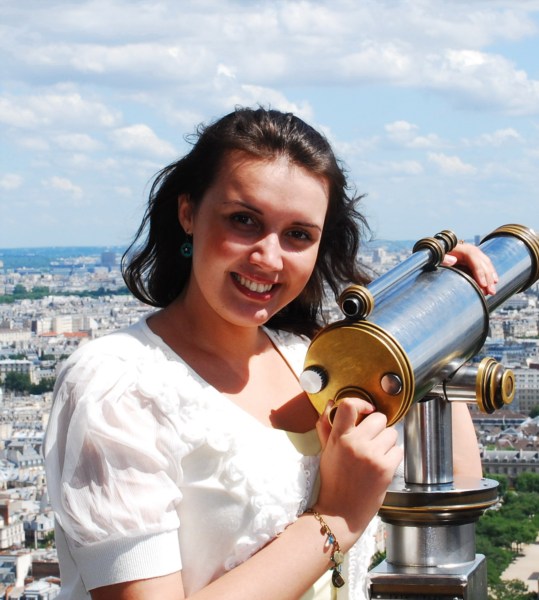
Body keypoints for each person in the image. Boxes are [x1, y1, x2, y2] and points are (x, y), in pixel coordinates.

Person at [43, 107, 497, 600]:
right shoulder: (117, 384)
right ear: (188, 212)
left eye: (298, 235)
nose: (269, 257)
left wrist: (440, 314)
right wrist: (335, 517)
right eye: (244, 221)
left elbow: (455, 487)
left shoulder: (312, 358)